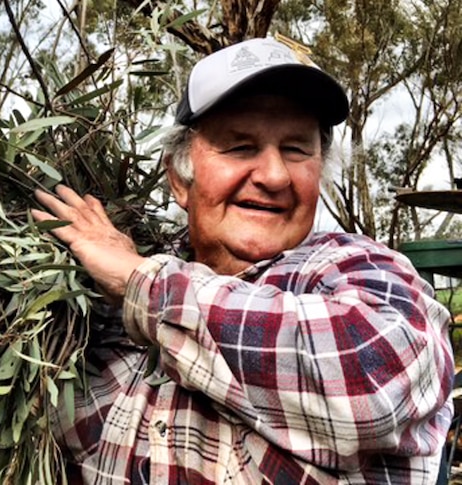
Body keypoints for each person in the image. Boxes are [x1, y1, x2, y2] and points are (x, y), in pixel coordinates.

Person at [31, 37, 454, 484]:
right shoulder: (100, 310)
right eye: (239, 147)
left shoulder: (355, 269)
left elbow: (373, 379)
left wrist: (140, 281)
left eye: (296, 149)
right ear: (178, 178)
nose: (273, 175)